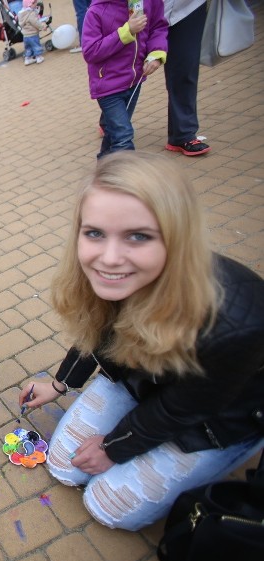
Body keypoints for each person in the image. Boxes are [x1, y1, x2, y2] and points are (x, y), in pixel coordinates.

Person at [18, 152, 264, 531]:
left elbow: (181, 411)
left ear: (177, 238)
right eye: (95, 233)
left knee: (106, 504)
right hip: (141, 385)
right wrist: (59, 382)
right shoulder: (97, 277)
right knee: (63, 462)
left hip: (211, 420)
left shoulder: (237, 324)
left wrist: (113, 448)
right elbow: (92, 332)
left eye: (139, 236)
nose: (109, 258)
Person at [81, 0, 167, 158]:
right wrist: (126, 32)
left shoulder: (148, 2)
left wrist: (156, 53)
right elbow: (90, 51)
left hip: (134, 81)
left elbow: (157, 27)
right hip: (107, 85)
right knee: (123, 136)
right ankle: (124, 180)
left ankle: (104, 168)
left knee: (114, 132)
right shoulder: (96, 10)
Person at [162, 0, 211, 156]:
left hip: (189, 7)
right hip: (140, 7)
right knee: (128, 66)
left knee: (185, 67)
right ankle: (113, 120)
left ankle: (183, 133)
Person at [18, 0, 48, 65]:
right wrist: (43, 27)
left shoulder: (21, 14)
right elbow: (36, 23)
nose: (36, 4)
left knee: (28, 48)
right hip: (32, 34)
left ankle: (27, 59)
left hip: (25, 35)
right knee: (36, 46)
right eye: (34, 3)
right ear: (30, 5)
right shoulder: (30, 13)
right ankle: (38, 57)